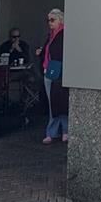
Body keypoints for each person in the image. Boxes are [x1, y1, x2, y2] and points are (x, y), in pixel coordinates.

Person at [36, 8, 67, 144]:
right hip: (48, 70)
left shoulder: (64, 34)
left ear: (60, 20)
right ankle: (52, 132)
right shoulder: (50, 35)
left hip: (59, 71)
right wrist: (41, 51)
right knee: (52, 103)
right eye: (48, 20)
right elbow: (48, 51)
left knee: (62, 101)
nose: (50, 22)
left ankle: (65, 131)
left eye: (52, 20)